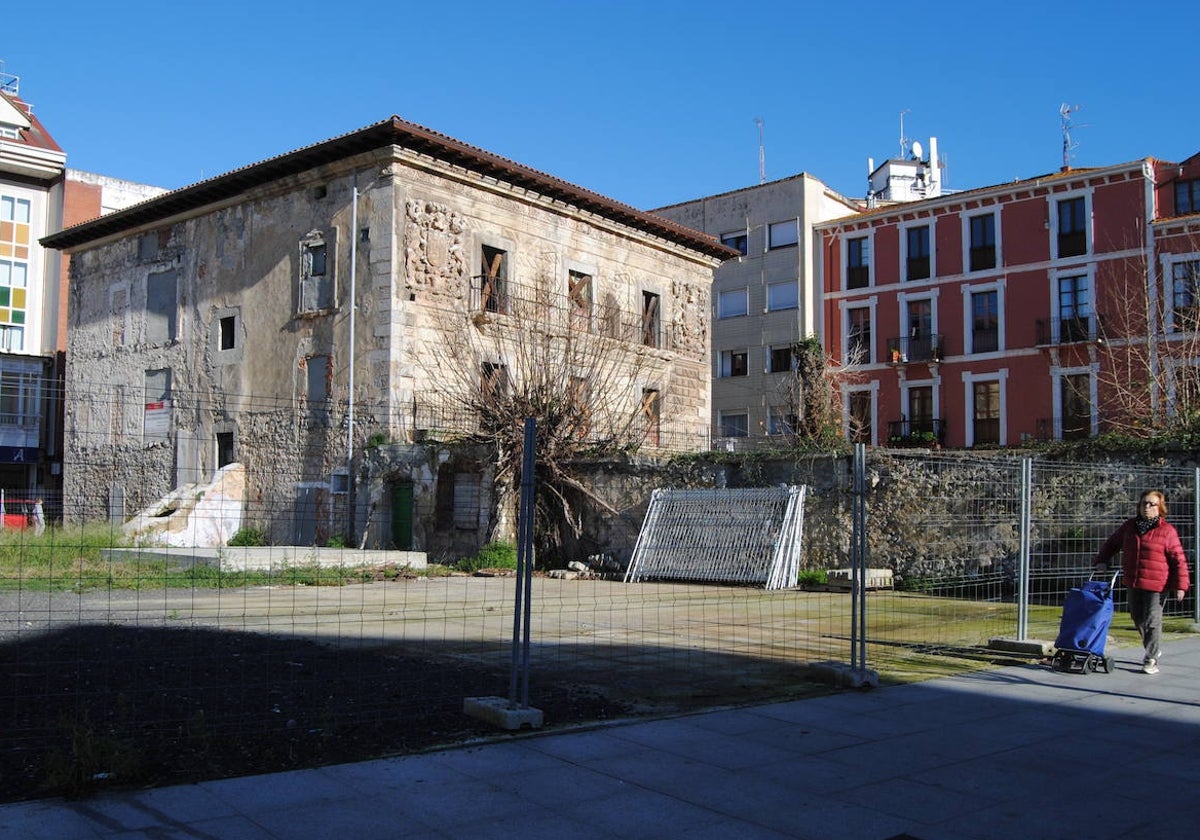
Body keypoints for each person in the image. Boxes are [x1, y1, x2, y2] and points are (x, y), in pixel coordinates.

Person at [1094, 490, 1190, 674]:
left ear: (1159, 508)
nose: (1146, 507)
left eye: (1151, 504)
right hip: (1134, 581)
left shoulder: (1167, 531)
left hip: (1158, 585)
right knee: (1138, 618)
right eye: (1144, 503)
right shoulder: (1129, 527)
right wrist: (1102, 560)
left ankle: (1151, 657)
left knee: (1152, 620)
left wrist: (1181, 586)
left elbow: (1179, 559)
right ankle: (1153, 647)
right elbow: (1112, 543)